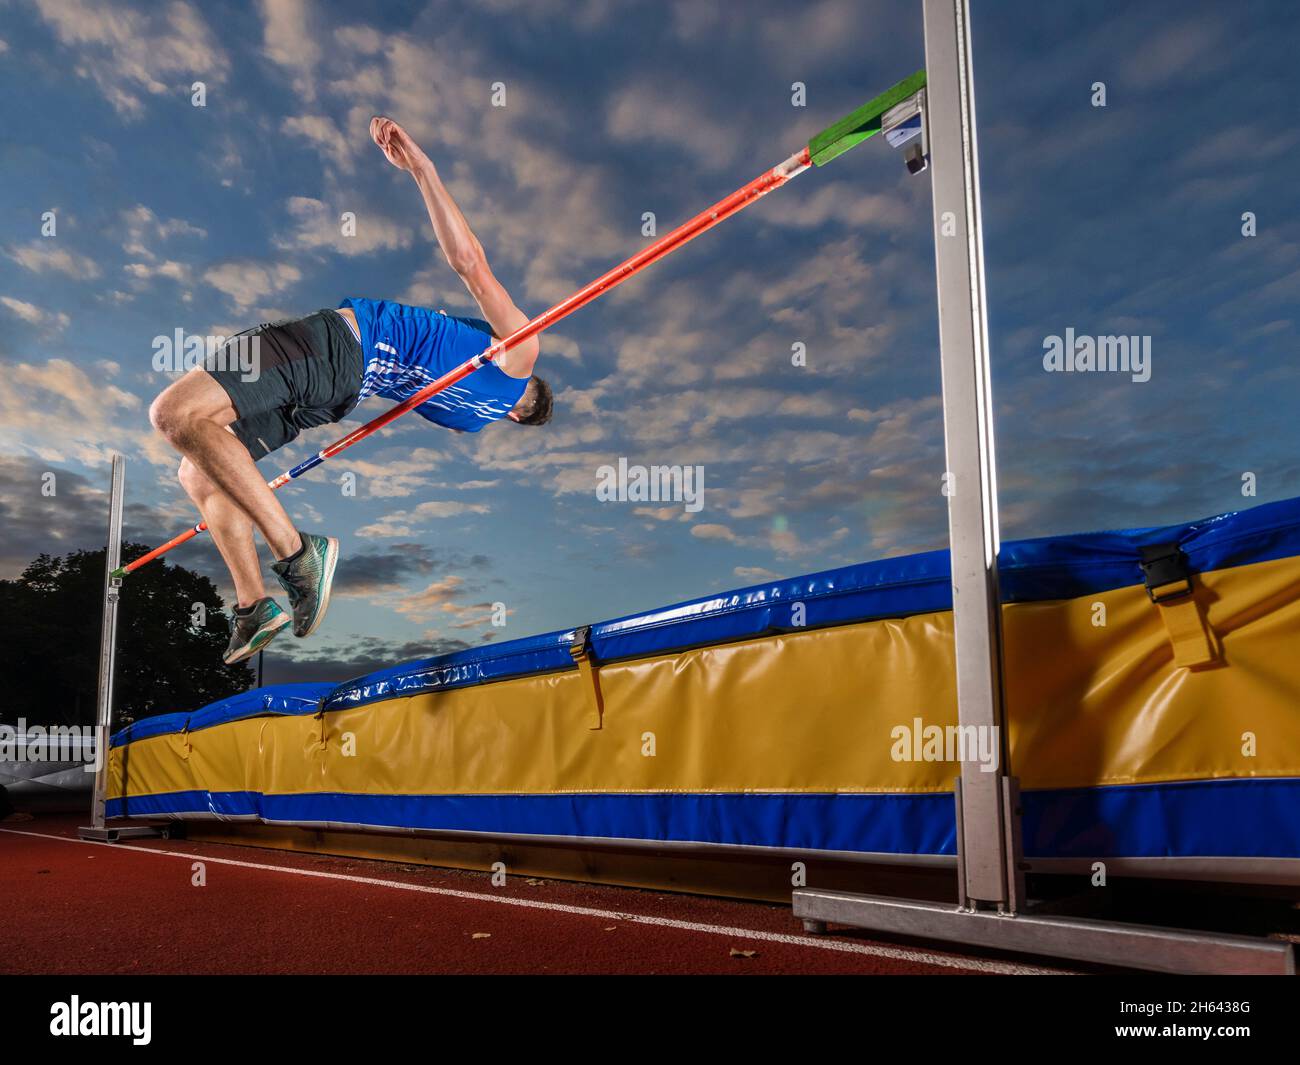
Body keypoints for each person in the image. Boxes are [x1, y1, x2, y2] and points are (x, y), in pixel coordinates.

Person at [148, 117, 552, 664]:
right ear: (517, 419)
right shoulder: (475, 418)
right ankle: (253, 606)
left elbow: (471, 265)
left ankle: (296, 553)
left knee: (175, 413)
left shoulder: (519, 355)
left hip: (340, 346)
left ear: (529, 388)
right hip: (338, 394)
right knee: (201, 465)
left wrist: (424, 171)